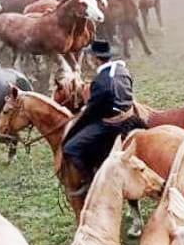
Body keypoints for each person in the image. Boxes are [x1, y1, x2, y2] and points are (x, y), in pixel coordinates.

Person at [62, 40, 145, 189]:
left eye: (91, 57)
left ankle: (92, 181)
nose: (89, 59)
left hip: (112, 125)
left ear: (95, 59)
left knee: (70, 148)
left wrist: (80, 117)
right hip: (130, 117)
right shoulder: (124, 71)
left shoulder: (100, 80)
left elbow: (93, 111)